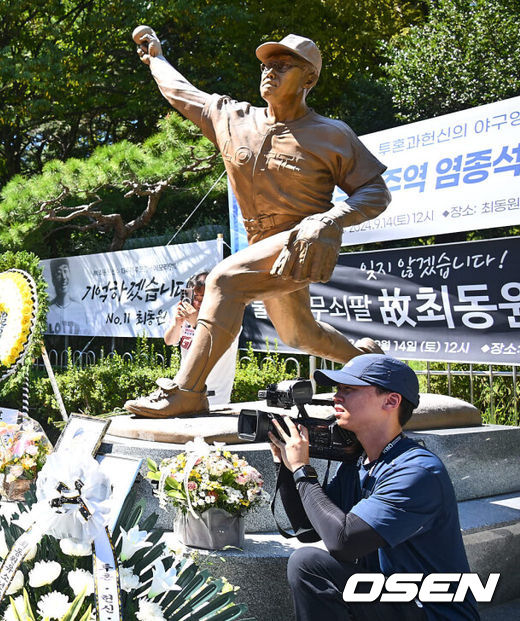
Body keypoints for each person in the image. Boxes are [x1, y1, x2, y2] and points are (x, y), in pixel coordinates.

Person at [124, 29, 389, 418]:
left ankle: (187, 391)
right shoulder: (234, 118)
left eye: (283, 66)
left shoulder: (333, 135)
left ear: (309, 78)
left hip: (301, 243)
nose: (269, 71)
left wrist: (330, 220)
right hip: (259, 245)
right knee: (298, 333)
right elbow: (181, 92)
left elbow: (375, 192)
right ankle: (368, 361)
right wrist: (157, 59)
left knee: (224, 280)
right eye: (266, 65)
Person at [270, 354, 478, 621]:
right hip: (389, 601)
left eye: (349, 389)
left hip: (431, 611)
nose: (336, 396)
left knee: (308, 564)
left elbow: (343, 542)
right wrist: (286, 467)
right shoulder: (359, 463)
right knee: (309, 561)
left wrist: (303, 469)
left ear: (391, 401)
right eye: (337, 389)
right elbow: (309, 530)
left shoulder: (417, 471)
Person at [162, 272, 237, 406]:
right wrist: (177, 322)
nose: (197, 303)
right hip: (184, 391)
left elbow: (213, 342)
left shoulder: (227, 316)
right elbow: (170, 341)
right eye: (194, 297)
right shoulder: (187, 316)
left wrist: (197, 322)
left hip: (214, 397)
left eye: (202, 299)